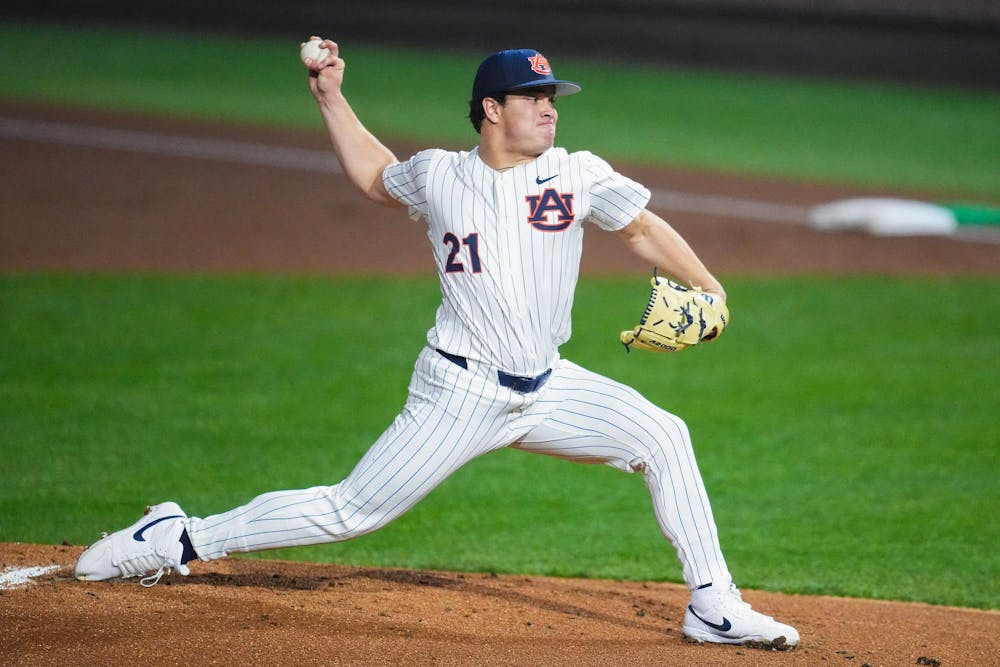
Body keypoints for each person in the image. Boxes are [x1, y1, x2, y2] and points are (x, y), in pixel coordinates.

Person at [75, 40, 799, 650]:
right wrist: (330, 95)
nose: (550, 107)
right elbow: (370, 174)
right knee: (349, 510)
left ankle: (712, 603)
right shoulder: (439, 175)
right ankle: (180, 536)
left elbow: (641, 227)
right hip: (459, 392)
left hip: (547, 386)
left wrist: (711, 287)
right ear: (491, 109)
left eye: (554, 96)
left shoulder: (578, 173)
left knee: (664, 435)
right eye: (533, 96)